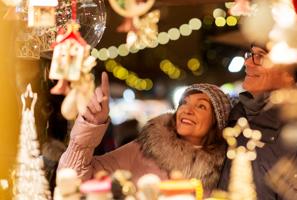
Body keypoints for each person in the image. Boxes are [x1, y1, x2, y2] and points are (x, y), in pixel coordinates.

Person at [58, 72, 231, 192]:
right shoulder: (146, 150)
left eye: (201, 106)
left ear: (217, 121)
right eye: (184, 103)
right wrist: (90, 125)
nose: (187, 110)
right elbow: (72, 179)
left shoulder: (227, 169)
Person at [217, 46, 297, 199]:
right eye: (251, 54)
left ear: (290, 71)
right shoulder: (238, 115)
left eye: (260, 56)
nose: (247, 62)